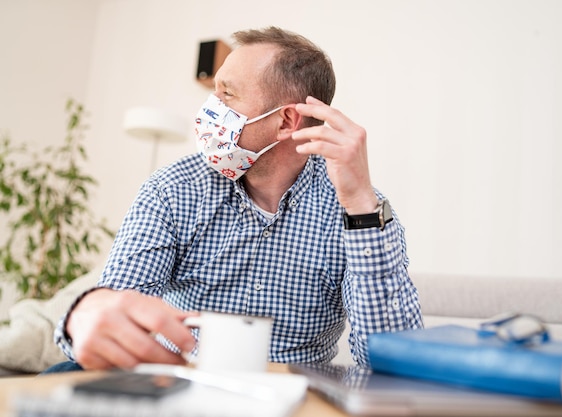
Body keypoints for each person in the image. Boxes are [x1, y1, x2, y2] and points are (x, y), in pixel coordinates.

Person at [53, 26, 423, 371]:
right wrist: (85, 316)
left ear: (285, 121)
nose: (209, 110)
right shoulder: (172, 189)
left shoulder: (358, 209)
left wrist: (360, 205)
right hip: (181, 385)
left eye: (227, 94)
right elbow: (115, 312)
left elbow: (391, 361)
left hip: (297, 397)